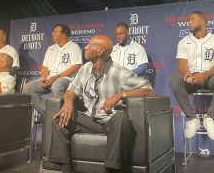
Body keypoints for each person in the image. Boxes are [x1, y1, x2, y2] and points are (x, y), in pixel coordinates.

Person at [44, 35, 154, 173]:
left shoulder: (120, 72)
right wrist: (67, 102)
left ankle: (112, 169)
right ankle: (65, 168)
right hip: (90, 120)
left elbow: (149, 91)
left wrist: (121, 95)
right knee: (59, 119)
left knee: (121, 119)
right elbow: (72, 90)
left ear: (100, 51)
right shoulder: (84, 69)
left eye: (89, 45)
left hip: (111, 122)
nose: (85, 47)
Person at [170, 11, 214, 141]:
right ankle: (192, 119)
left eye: (192, 19)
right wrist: (186, 73)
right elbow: (182, 64)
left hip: (210, 77)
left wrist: (206, 74)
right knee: (175, 80)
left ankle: (209, 118)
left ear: (203, 21)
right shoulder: (183, 42)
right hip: (192, 78)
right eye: (188, 20)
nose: (189, 22)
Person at [23, 24, 82, 116]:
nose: (53, 34)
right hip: (49, 79)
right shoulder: (51, 48)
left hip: (66, 79)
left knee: (56, 85)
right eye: (53, 31)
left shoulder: (74, 47)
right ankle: (49, 114)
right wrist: (43, 79)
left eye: (56, 31)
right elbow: (45, 68)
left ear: (64, 33)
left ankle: (59, 115)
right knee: (28, 88)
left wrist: (56, 77)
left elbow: (75, 67)